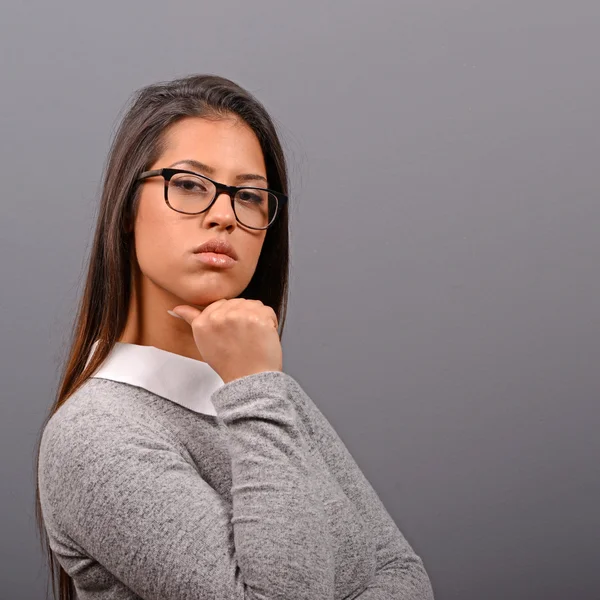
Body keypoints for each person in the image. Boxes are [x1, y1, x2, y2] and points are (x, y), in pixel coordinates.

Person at [34, 73, 435, 600]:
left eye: (248, 195)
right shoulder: (96, 434)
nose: (223, 215)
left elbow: (405, 575)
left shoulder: (262, 394)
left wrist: (255, 385)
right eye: (189, 184)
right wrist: (254, 384)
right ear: (127, 207)